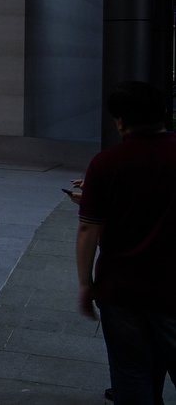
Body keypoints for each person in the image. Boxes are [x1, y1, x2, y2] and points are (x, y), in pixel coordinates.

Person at [77, 80, 175, 403]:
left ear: (120, 121)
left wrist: (85, 284)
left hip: (121, 289)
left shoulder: (105, 165)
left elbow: (89, 230)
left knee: (131, 372)